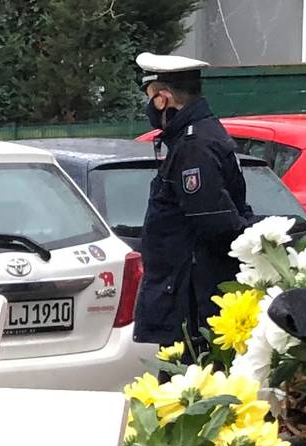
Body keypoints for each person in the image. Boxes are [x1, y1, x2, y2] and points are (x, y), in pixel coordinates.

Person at [132, 52, 252, 348]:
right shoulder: (201, 135)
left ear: (163, 99)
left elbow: (214, 223)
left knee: (188, 375)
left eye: (150, 97)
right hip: (190, 294)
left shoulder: (193, 147)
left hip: (192, 302)